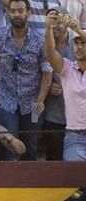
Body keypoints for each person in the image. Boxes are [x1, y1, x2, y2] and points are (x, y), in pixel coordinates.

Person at [0, 0, 53, 161]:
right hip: (5, 100)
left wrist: (40, 99)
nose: (17, 14)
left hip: (33, 103)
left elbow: (47, 73)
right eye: (13, 11)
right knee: (9, 147)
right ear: (8, 13)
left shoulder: (40, 40)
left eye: (20, 11)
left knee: (31, 147)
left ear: (28, 13)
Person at [45, 9, 86, 160]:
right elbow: (50, 52)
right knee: (72, 176)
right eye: (76, 43)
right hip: (74, 137)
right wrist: (48, 28)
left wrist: (78, 31)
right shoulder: (68, 68)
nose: (79, 47)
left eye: (83, 43)